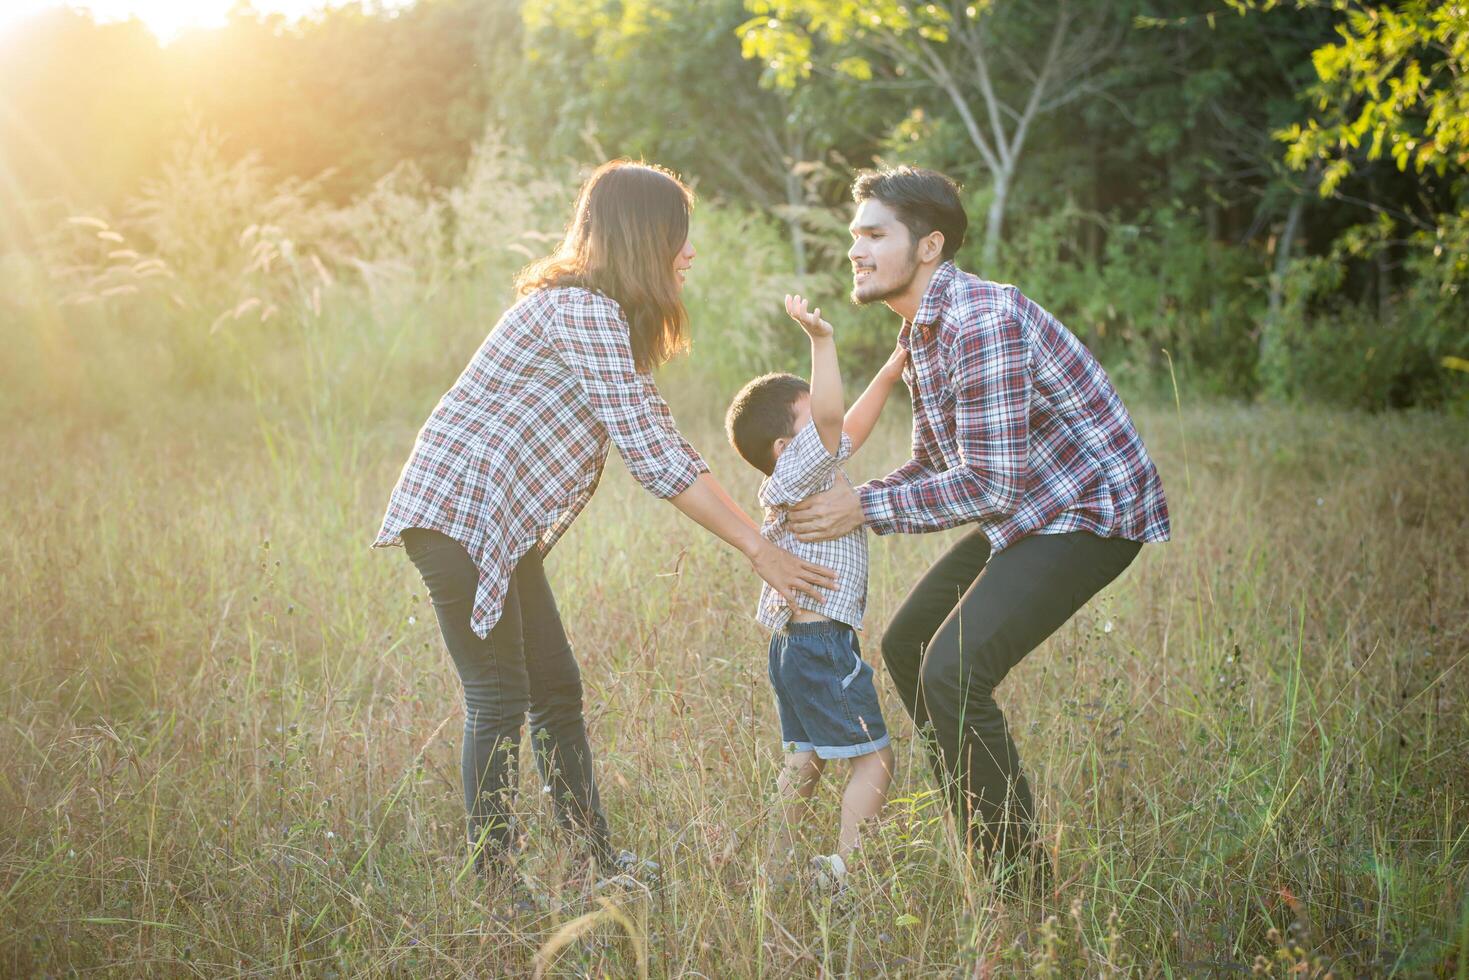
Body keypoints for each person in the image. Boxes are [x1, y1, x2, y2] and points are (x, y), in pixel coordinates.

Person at [373, 160, 836, 906]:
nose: (688, 255)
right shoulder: (579, 311)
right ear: (643, 237)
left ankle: (594, 859)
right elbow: (655, 456)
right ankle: (495, 890)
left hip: (491, 522)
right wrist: (761, 548)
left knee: (555, 690)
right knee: (498, 697)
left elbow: (655, 435)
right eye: (679, 238)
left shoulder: (595, 315)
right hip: (457, 515)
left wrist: (758, 539)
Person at [786, 167, 1170, 886]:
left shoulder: (979, 320)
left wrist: (863, 506)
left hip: (1087, 511)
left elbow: (989, 482)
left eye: (873, 235)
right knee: (908, 645)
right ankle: (983, 827)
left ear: (928, 246)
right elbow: (938, 465)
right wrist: (843, 502)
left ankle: (1019, 884)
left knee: (953, 671)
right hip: (1030, 511)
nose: (855, 251)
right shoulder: (923, 329)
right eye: (853, 237)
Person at [724, 294, 906, 894]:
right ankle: (846, 876)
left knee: (803, 761)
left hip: (795, 645)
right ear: (785, 446)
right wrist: (821, 340)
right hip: (822, 641)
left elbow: (845, 425)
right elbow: (832, 421)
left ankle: (774, 872)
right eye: (807, 419)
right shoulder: (794, 473)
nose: (825, 424)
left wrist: (889, 369)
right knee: (875, 759)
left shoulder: (809, 467)